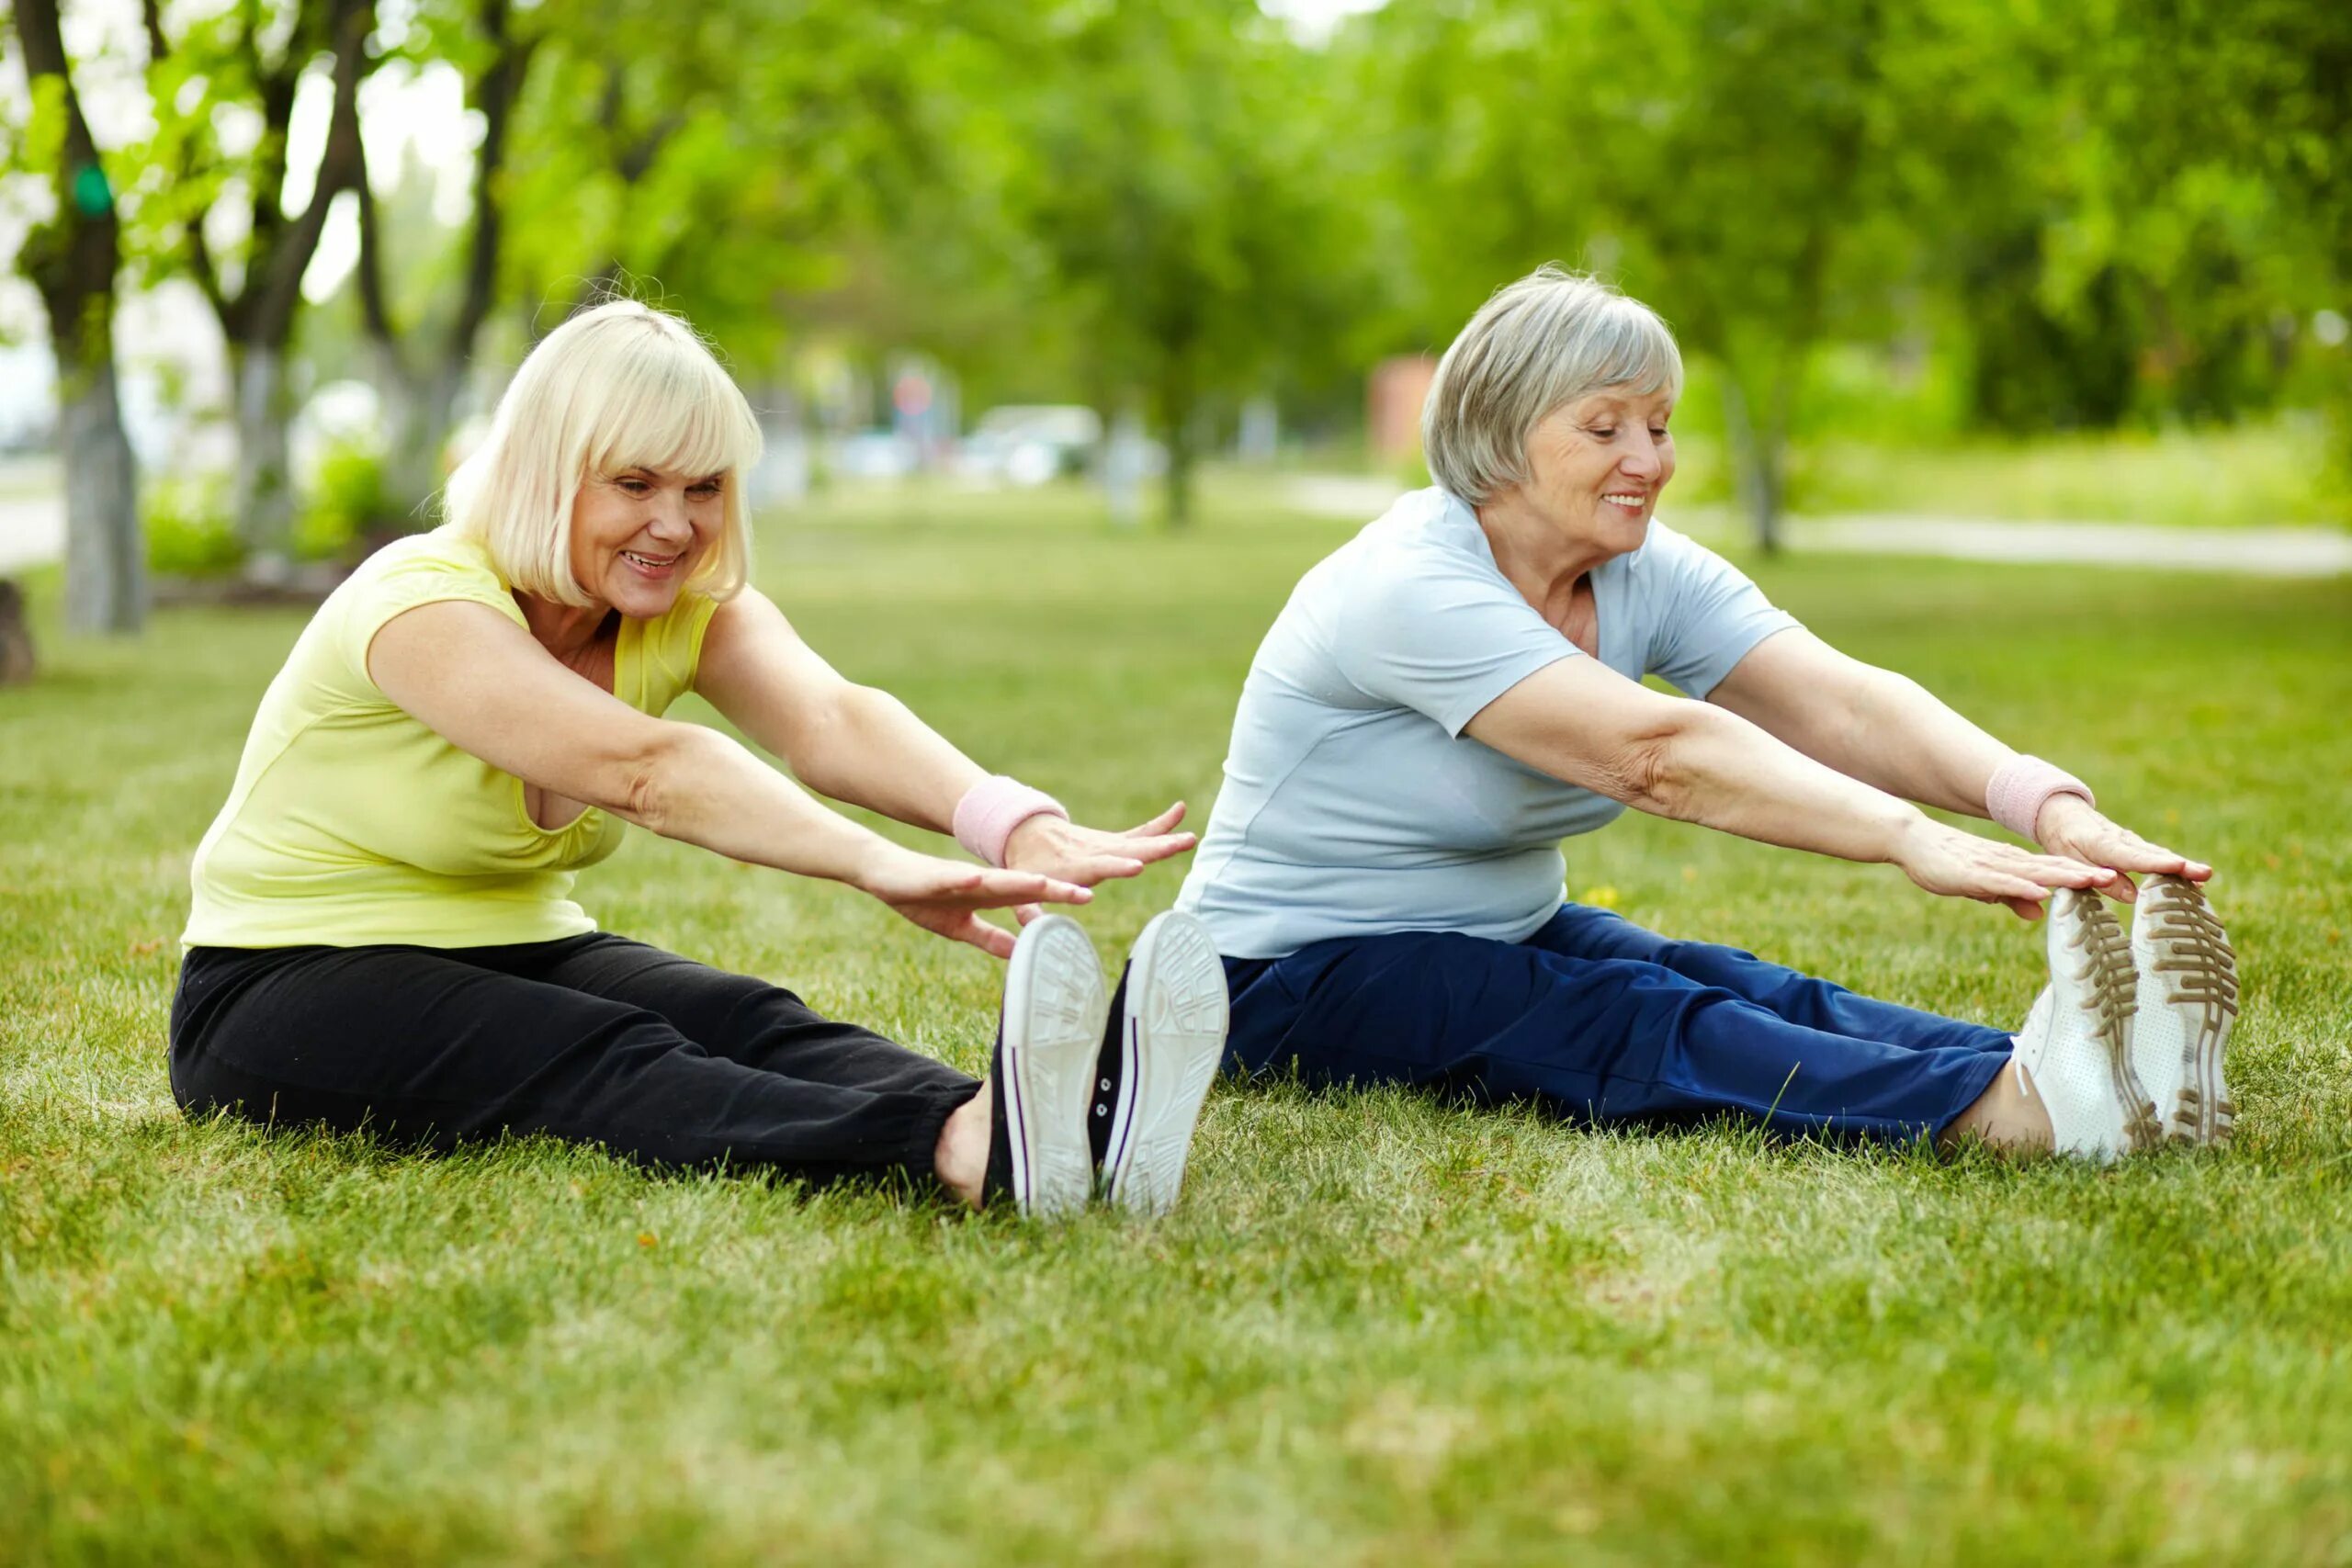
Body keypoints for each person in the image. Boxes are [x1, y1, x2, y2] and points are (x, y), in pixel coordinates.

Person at [170, 299, 1229, 1217]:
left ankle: (1058, 1128)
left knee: (748, 1019)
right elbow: (647, 767)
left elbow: (829, 716)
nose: (675, 526)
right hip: (285, 980)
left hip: (513, 941)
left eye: (704, 487)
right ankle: (957, 1150)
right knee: (609, 1060)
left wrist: (1005, 819)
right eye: (634, 483)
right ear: (549, 476)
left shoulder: (682, 607)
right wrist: (874, 863)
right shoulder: (420, 602)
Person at [1175, 266, 2238, 1161]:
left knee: (1729, 985)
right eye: (1605, 427)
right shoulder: (1406, 585)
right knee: (1628, 1018)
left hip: (1487, 928)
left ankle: (2078, 1071)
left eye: (1658, 425)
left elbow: (1837, 700)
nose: (1649, 459)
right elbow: (1656, 757)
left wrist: (2037, 803)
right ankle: (2005, 1113)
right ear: (1496, 434)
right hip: (1273, 981)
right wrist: (1907, 838)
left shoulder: (1639, 567)